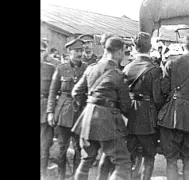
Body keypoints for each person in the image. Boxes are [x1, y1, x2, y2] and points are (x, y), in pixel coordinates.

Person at [71, 34, 132, 180]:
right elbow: (126, 105)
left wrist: (88, 107)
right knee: (122, 162)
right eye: (123, 51)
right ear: (118, 52)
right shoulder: (118, 74)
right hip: (108, 121)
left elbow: (76, 92)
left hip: (87, 119)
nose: (123, 55)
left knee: (86, 160)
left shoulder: (91, 68)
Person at [157, 34, 189, 180]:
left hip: (170, 115)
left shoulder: (171, 62)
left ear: (182, 46)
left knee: (171, 159)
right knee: (188, 159)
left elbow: (164, 89)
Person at [122, 32, 164, 180]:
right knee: (149, 154)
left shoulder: (127, 68)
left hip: (129, 115)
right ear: (150, 47)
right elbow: (158, 98)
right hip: (147, 115)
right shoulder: (154, 69)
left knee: (128, 153)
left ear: (134, 47)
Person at [46, 39, 88, 180]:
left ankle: (77, 177)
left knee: (79, 149)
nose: (79, 54)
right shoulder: (61, 68)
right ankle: (61, 176)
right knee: (62, 149)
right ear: (69, 52)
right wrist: (50, 112)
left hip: (81, 113)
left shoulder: (87, 68)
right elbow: (53, 92)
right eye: (76, 51)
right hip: (63, 113)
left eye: (81, 51)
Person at [41, 40, 56, 180]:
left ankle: (43, 173)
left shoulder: (50, 68)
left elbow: (54, 91)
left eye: (41, 51)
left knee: (44, 145)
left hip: (44, 110)